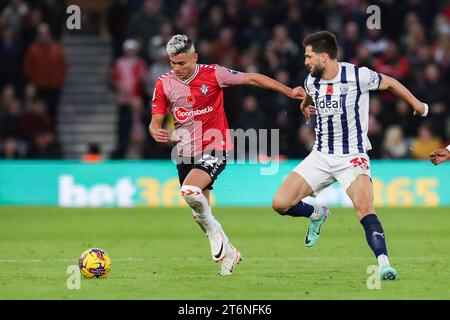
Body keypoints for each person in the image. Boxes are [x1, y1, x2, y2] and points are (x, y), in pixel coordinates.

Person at [272, 31, 428, 280]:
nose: (305, 61)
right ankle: (317, 214)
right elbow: (311, 95)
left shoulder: (358, 75)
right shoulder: (312, 80)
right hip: (321, 155)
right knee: (280, 203)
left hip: (352, 156)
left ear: (324, 56)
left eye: (309, 56)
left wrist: (417, 104)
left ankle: (384, 263)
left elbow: (390, 82)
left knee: (364, 207)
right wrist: (304, 106)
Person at [149, 34, 303, 276]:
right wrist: (155, 130)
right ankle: (230, 251)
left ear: (195, 58)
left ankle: (217, 238)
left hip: (215, 146)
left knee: (190, 191)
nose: (176, 69)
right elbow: (155, 121)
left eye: (181, 63)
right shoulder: (164, 83)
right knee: (199, 212)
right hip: (185, 152)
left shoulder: (214, 74)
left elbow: (251, 78)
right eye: (172, 63)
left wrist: (289, 92)